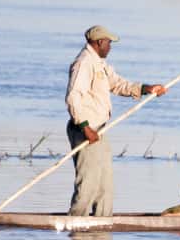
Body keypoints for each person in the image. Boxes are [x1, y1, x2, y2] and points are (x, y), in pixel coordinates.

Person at [66, 25, 166, 216]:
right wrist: (86, 128)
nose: (110, 47)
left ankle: (102, 225)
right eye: (109, 43)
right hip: (85, 130)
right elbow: (73, 97)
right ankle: (76, 222)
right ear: (99, 42)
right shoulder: (84, 63)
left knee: (105, 185)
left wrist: (146, 89)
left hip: (99, 130)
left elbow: (118, 84)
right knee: (88, 183)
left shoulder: (100, 64)